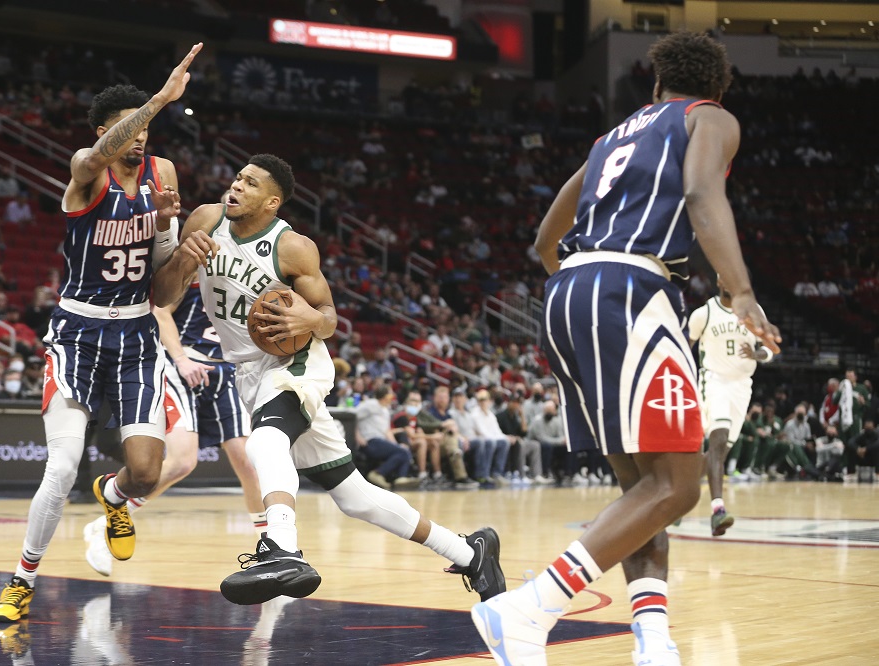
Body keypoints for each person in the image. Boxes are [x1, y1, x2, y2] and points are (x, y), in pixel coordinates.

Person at [471, 32, 781, 666]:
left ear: (657, 84)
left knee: (642, 491)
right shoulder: (710, 117)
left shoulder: (612, 137)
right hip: (631, 292)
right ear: (715, 89)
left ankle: (653, 639)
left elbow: (543, 237)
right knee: (678, 485)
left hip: (569, 292)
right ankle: (528, 608)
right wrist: (740, 291)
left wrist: (578, 278)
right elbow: (700, 193)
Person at [154, 153, 503, 607]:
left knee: (264, 441)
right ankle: (470, 553)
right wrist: (182, 258)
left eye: (250, 184)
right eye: (238, 178)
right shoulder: (205, 219)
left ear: (272, 202)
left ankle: (280, 548)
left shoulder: (293, 247)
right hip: (248, 370)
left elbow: (330, 319)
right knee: (354, 497)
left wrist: (308, 318)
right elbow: (162, 297)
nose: (236, 186)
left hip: (297, 362)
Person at [0, 43, 204, 624]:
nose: (140, 138)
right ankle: (23, 579)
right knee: (60, 468)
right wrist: (159, 99)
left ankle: (112, 497)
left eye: (146, 129)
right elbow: (98, 153)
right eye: (128, 129)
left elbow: (163, 292)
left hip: (135, 336)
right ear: (105, 133)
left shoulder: (165, 175)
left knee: (148, 471)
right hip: (78, 331)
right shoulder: (87, 171)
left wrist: (178, 244)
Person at [82, 279, 264, 576]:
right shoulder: (195, 266)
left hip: (227, 370)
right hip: (183, 364)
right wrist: (180, 359)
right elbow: (161, 311)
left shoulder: (254, 278)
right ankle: (109, 520)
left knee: (248, 462)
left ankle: (268, 548)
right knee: (182, 462)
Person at [687, 276, 775, 535]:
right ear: (717, 282)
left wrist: (757, 354)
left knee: (720, 452)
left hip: (741, 386)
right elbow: (684, 346)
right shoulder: (704, 313)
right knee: (717, 441)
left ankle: (680, 500)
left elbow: (769, 349)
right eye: (723, 277)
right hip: (714, 381)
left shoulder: (754, 311)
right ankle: (718, 511)